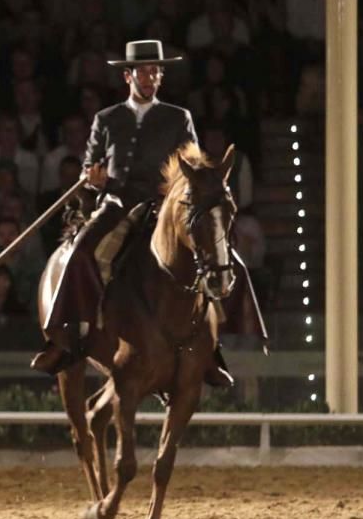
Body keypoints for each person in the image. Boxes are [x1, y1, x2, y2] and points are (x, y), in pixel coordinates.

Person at [30, 40, 233, 386]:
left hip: (163, 209)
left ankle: (211, 352)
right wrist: (93, 181)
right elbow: (89, 169)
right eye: (144, 71)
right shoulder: (106, 119)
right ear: (128, 76)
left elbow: (194, 166)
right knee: (79, 254)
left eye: (156, 71)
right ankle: (67, 339)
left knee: (219, 254)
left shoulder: (177, 117)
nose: (151, 76)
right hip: (117, 205)